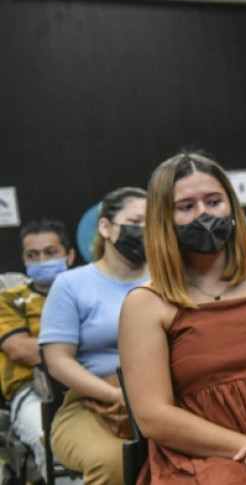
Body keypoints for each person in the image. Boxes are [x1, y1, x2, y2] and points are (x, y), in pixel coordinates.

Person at [118, 152, 246, 484]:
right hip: (204, 457)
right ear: (163, 220)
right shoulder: (146, 304)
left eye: (214, 202)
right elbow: (153, 417)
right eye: (186, 207)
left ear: (232, 209)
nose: (204, 214)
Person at [38, 187, 149, 485]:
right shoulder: (71, 284)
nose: (145, 232)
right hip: (91, 403)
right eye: (136, 222)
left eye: (153, 224)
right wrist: (115, 395)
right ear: (106, 227)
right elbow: (59, 361)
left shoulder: (168, 280)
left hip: (162, 398)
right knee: (113, 462)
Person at [0, 219, 76, 481]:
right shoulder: (8, 298)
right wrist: (82, 344)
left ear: (70, 255)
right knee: (53, 441)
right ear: (23, 260)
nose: (42, 260)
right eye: (33, 255)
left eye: (50, 252)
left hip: (96, 384)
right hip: (32, 392)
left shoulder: (87, 289)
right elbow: (21, 350)